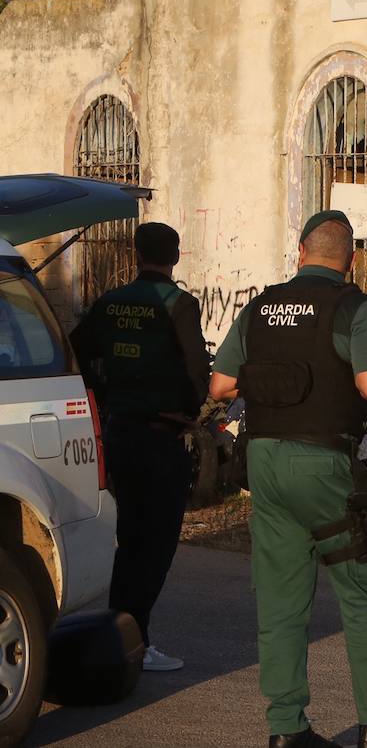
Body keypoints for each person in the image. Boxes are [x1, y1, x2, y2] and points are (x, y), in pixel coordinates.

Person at [208, 211, 367, 748]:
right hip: (324, 464)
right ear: (350, 260)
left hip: (263, 462)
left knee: (280, 602)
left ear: (300, 251)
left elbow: (220, 384)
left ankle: (287, 729)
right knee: (359, 594)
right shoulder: (353, 305)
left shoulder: (261, 305)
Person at [70, 221, 209, 673]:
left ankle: (119, 634)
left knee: (129, 538)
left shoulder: (109, 303)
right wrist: (189, 409)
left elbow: (76, 351)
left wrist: (106, 395)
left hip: (119, 432)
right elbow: (196, 373)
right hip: (160, 436)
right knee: (158, 543)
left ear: (136, 252)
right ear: (176, 257)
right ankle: (138, 638)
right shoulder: (180, 305)